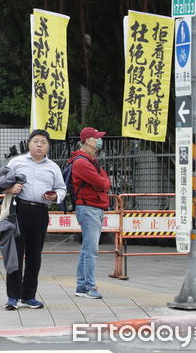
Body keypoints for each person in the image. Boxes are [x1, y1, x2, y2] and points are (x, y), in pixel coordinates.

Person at [0, 129, 66, 310]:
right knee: (16, 255)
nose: (39, 145)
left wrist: (55, 196)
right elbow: (0, 182)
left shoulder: (53, 167)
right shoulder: (16, 162)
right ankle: (13, 297)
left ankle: (29, 296)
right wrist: (10, 189)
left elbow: (62, 189)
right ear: (29, 143)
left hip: (40, 212)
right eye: (35, 141)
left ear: (48, 146)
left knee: (35, 256)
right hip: (18, 210)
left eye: (43, 142)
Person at [70, 127, 111, 299]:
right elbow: (102, 183)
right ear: (88, 140)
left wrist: (103, 182)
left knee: (87, 248)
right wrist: (102, 182)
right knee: (91, 249)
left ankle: (81, 286)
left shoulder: (89, 160)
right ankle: (89, 287)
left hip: (92, 206)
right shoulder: (82, 162)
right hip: (89, 207)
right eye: (97, 138)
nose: (99, 141)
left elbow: (104, 180)